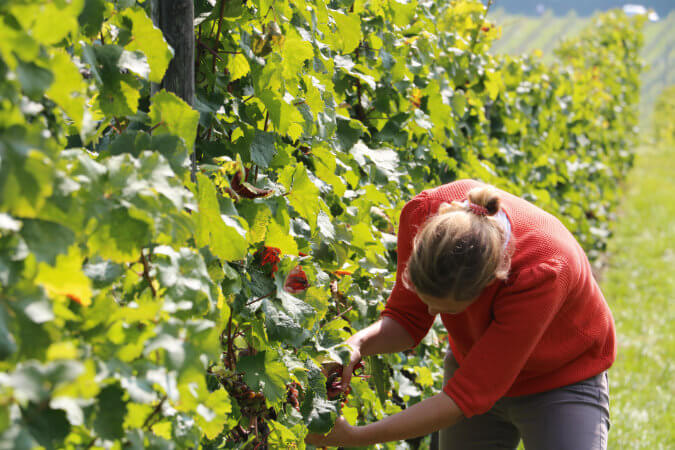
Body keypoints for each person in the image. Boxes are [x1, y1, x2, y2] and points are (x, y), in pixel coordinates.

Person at [305, 179, 615, 449]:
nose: (430, 312)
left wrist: (353, 436)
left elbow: (464, 396)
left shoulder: (542, 269)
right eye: (425, 297)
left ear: (489, 283)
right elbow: (407, 320)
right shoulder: (425, 215)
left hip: (560, 378)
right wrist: (356, 345)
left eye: (446, 309)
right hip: (474, 362)